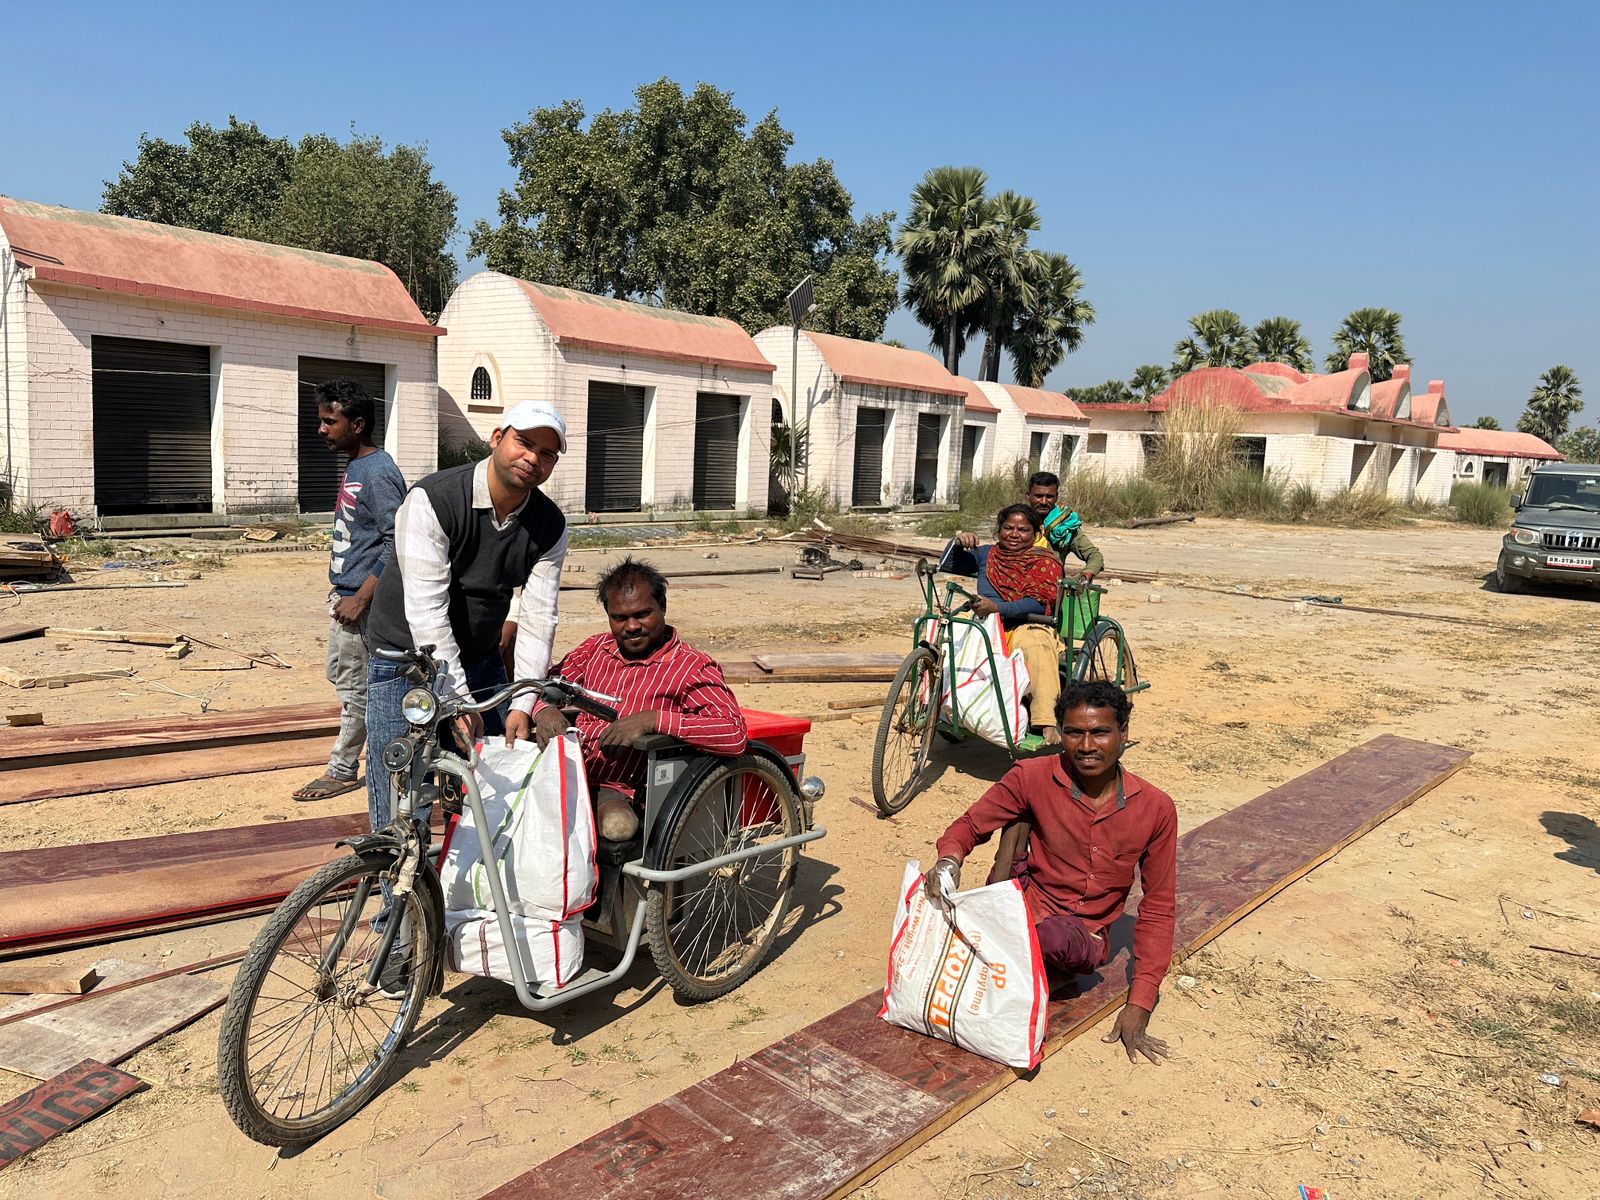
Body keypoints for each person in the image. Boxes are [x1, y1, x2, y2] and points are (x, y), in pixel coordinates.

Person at [926, 680, 1176, 1065]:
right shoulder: (1032, 776)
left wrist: (1139, 1004)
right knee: (1014, 818)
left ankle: (1038, 967)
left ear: (1123, 733)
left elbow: (1158, 907)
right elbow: (971, 825)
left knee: (1051, 939)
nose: (1087, 746)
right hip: (1020, 905)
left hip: (1077, 937)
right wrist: (949, 860)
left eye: (1100, 732)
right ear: (1060, 733)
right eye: (1074, 733)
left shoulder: (1156, 809)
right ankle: (1018, 957)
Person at [364, 400, 570, 834]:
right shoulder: (434, 499)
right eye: (524, 442)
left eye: (547, 453)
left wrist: (523, 703)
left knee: (494, 787)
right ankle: (400, 881)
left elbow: (538, 618)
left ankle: (478, 877)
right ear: (496, 439)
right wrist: (456, 700)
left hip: (480, 661)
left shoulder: (549, 525)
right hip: (405, 661)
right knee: (402, 804)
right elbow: (427, 612)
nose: (532, 458)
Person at [531, 558, 747, 841]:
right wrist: (543, 709)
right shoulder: (595, 649)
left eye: (643, 614)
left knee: (616, 825)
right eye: (620, 618)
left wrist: (653, 720)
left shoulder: (690, 667)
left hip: (620, 789)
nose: (632, 626)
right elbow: (544, 687)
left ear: (662, 607)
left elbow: (733, 733)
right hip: (568, 771)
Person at [293, 378, 406, 803]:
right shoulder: (357, 467)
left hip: (363, 603)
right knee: (342, 678)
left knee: (358, 689)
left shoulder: (378, 473)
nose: (321, 429)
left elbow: (399, 540)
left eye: (330, 421)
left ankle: (342, 769)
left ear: (357, 425)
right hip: (346, 597)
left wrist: (362, 597)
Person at [970, 504, 1067, 745]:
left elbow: (1038, 604)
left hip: (1027, 623)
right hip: (988, 623)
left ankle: (1046, 720)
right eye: (1008, 528)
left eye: (1023, 530)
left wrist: (997, 608)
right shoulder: (987, 554)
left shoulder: (1045, 562)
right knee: (947, 635)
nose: (1014, 534)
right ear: (999, 529)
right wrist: (959, 541)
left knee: (1036, 644)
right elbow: (949, 562)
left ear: (1035, 534)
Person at [959, 471, 1104, 579]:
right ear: (1028, 495)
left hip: (1047, 588)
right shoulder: (1016, 520)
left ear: (1056, 497)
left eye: (1049, 497)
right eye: (1038, 496)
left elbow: (1094, 556)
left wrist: (1086, 574)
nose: (1043, 501)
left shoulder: (1064, 526)